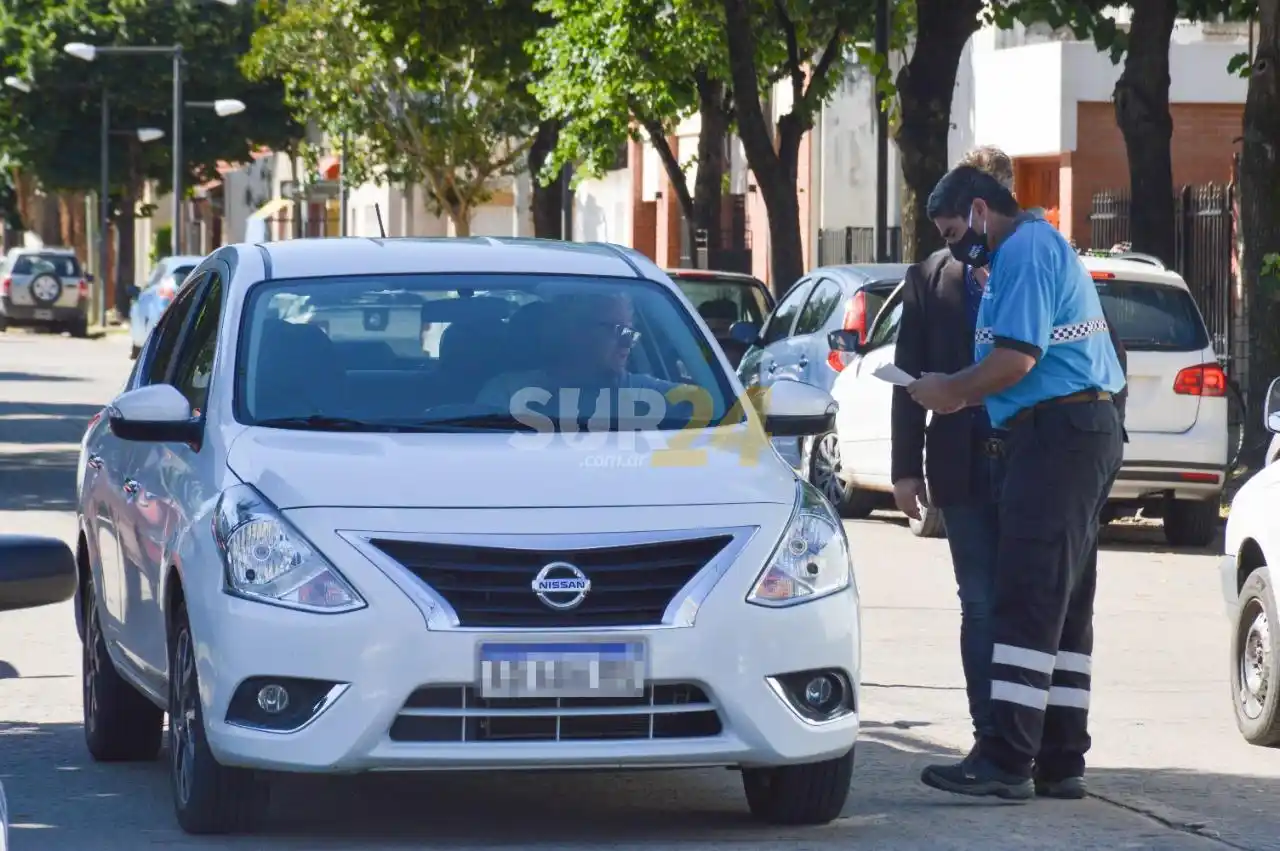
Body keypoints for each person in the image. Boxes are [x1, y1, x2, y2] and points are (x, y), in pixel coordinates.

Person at [907, 165, 1126, 801]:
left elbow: (1016, 359)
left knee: (1027, 594)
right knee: (1062, 601)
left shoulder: (1025, 250)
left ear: (980, 210)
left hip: (1058, 436)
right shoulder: (1026, 251)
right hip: (1074, 429)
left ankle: (1005, 760)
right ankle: (1060, 759)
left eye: (954, 231)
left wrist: (948, 390)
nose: (954, 246)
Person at [890, 146, 1017, 756]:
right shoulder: (928, 278)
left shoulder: (1034, 266)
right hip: (958, 466)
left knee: (1027, 600)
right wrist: (903, 471)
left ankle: (1029, 739)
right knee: (980, 602)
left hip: (1026, 461)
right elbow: (907, 376)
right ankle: (987, 735)